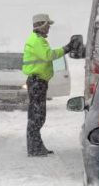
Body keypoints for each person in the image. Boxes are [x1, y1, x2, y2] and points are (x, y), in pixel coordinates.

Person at [22, 14, 75, 157]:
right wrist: (67, 48)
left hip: (37, 81)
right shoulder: (37, 41)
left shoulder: (37, 40)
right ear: (41, 25)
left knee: (37, 115)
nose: (49, 28)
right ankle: (34, 148)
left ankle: (36, 146)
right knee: (37, 116)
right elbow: (48, 55)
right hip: (37, 81)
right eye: (47, 25)